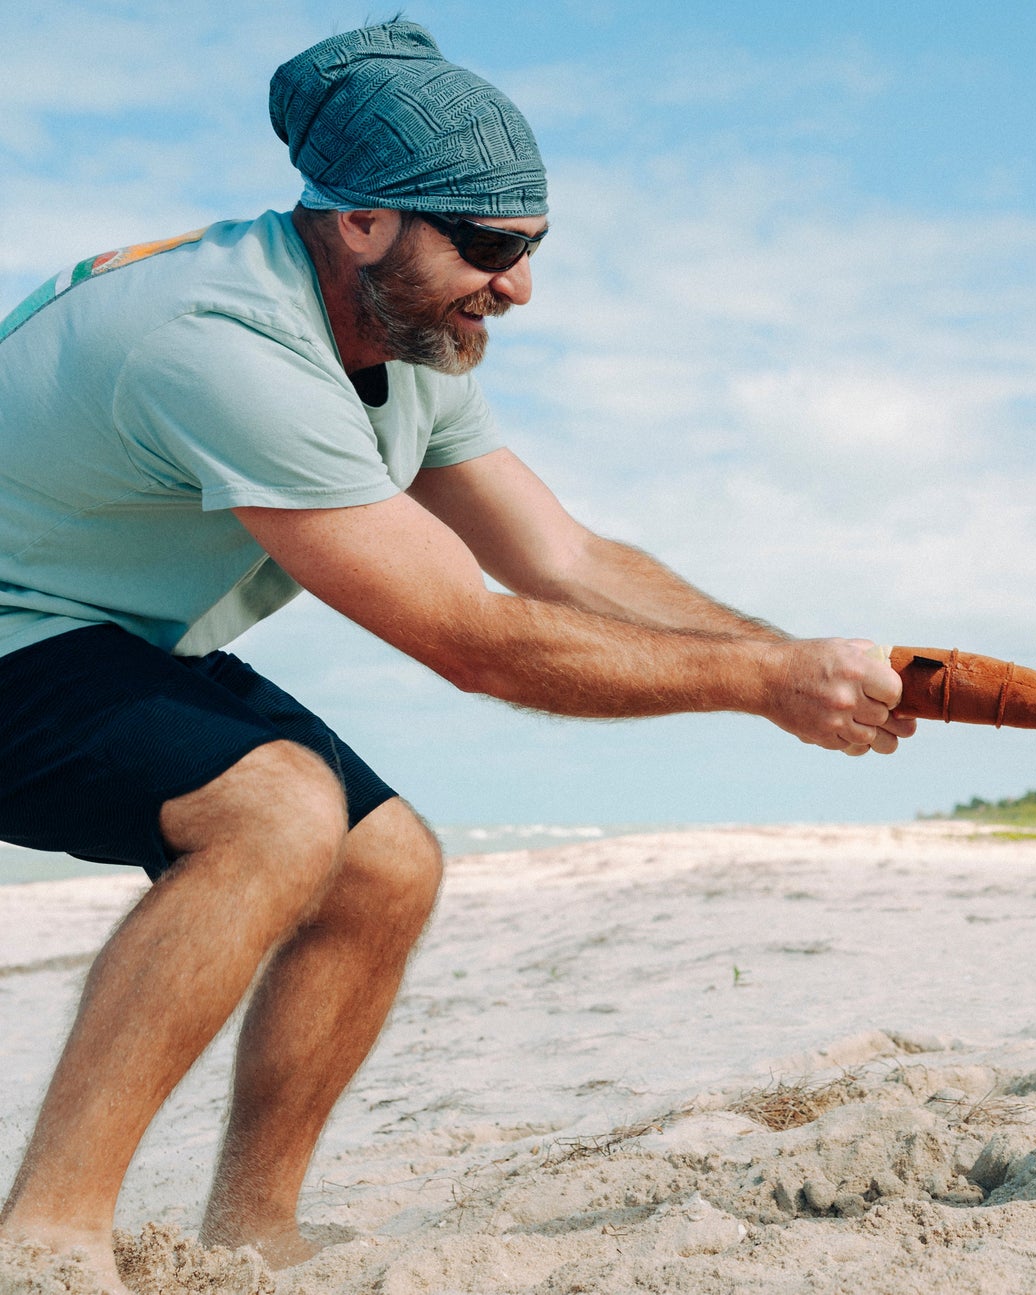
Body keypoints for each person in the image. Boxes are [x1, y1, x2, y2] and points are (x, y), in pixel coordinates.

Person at [0, 20, 913, 1286]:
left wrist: (794, 655)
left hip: (91, 633)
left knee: (384, 866)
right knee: (275, 812)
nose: (519, 288)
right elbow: (467, 639)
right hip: (20, 631)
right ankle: (48, 1235)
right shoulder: (221, 338)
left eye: (533, 248)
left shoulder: (409, 339)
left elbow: (563, 558)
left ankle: (253, 1232)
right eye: (488, 248)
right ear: (362, 220)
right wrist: (761, 685)